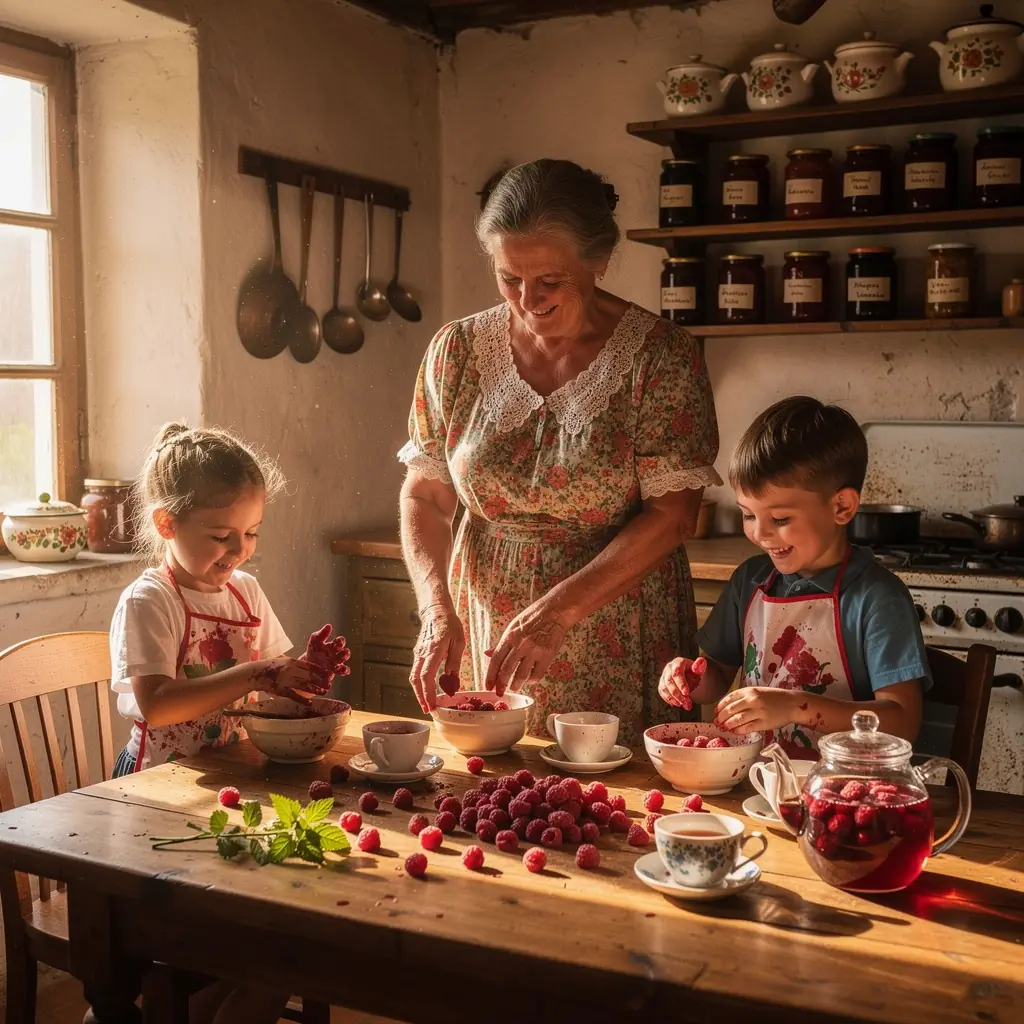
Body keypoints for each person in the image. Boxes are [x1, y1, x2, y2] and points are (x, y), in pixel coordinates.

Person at [399, 158, 721, 746]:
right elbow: (425, 492)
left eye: (550, 280)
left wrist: (558, 615)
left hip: (614, 624)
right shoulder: (458, 350)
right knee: (494, 798)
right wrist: (435, 609)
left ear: (597, 261)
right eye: (508, 278)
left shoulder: (660, 358)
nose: (528, 299)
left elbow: (674, 515)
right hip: (486, 620)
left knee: (612, 805)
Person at [91, 423, 347, 1024]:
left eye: (252, 533)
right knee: (217, 944)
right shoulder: (148, 600)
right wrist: (259, 673)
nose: (238, 551)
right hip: (155, 793)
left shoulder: (246, 592)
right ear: (165, 525)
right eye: (220, 535)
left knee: (277, 942)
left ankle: (215, 997)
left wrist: (304, 674)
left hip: (228, 785)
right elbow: (157, 703)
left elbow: (277, 673)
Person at [659, 396, 929, 756]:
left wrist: (793, 707)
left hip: (843, 791)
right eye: (749, 515)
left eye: (780, 519)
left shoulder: (877, 599)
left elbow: (902, 723)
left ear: (842, 506)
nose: (760, 534)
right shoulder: (749, 582)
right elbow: (717, 679)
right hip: (758, 782)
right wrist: (691, 679)